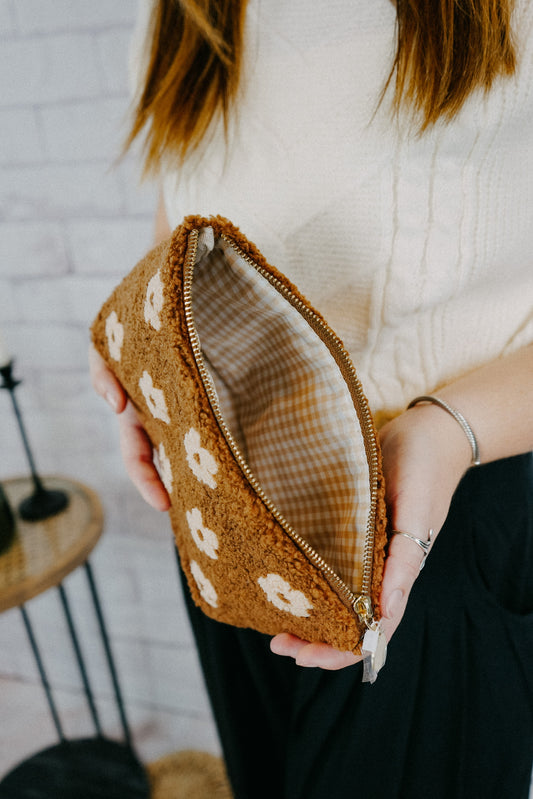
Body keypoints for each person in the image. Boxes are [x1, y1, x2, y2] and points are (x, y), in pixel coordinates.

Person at [90, 1, 533, 796]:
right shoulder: (180, 11)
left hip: (442, 514)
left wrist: (444, 431)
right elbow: (183, 198)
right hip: (226, 519)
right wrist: (153, 370)